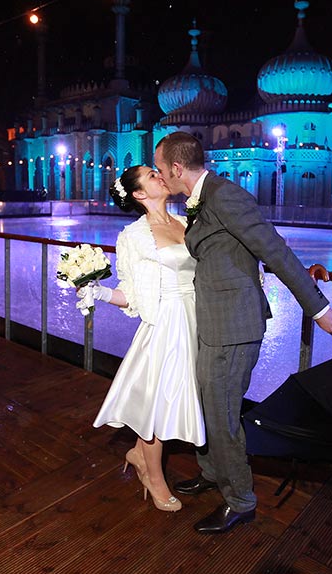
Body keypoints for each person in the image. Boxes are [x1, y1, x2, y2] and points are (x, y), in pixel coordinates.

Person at [153, 131, 332, 534]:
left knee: (222, 414)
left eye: (160, 168)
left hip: (234, 327)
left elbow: (272, 248)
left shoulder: (225, 196)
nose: (159, 175)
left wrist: (318, 307)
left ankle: (240, 501)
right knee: (208, 405)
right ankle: (212, 472)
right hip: (213, 321)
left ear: (177, 168)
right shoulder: (202, 199)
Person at [87, 164, 206, 512]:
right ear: (139, 194)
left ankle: (140, 455)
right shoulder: (133, 237)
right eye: (151, 175)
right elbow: (131, 294)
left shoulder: (185, 222)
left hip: (195, 319)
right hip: (164, 325)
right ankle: (154, 478)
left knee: (179, 398)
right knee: (154, 405)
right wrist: (97, 291)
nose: (160, 175)